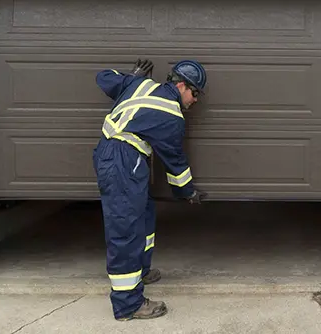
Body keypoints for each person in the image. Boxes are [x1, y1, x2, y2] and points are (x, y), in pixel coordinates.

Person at [92, 58, 208, 321]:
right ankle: (128, 304)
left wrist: (129, 77)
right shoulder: (172, 115)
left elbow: (103, 77)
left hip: (121, 159)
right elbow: (175, 162)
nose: (196, 99)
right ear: (181, 85)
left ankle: (140, 271)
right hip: (123, 161)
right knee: (126, 230)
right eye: (195, 92)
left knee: (143, 215)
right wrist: (187, 192)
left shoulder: (139, 84)